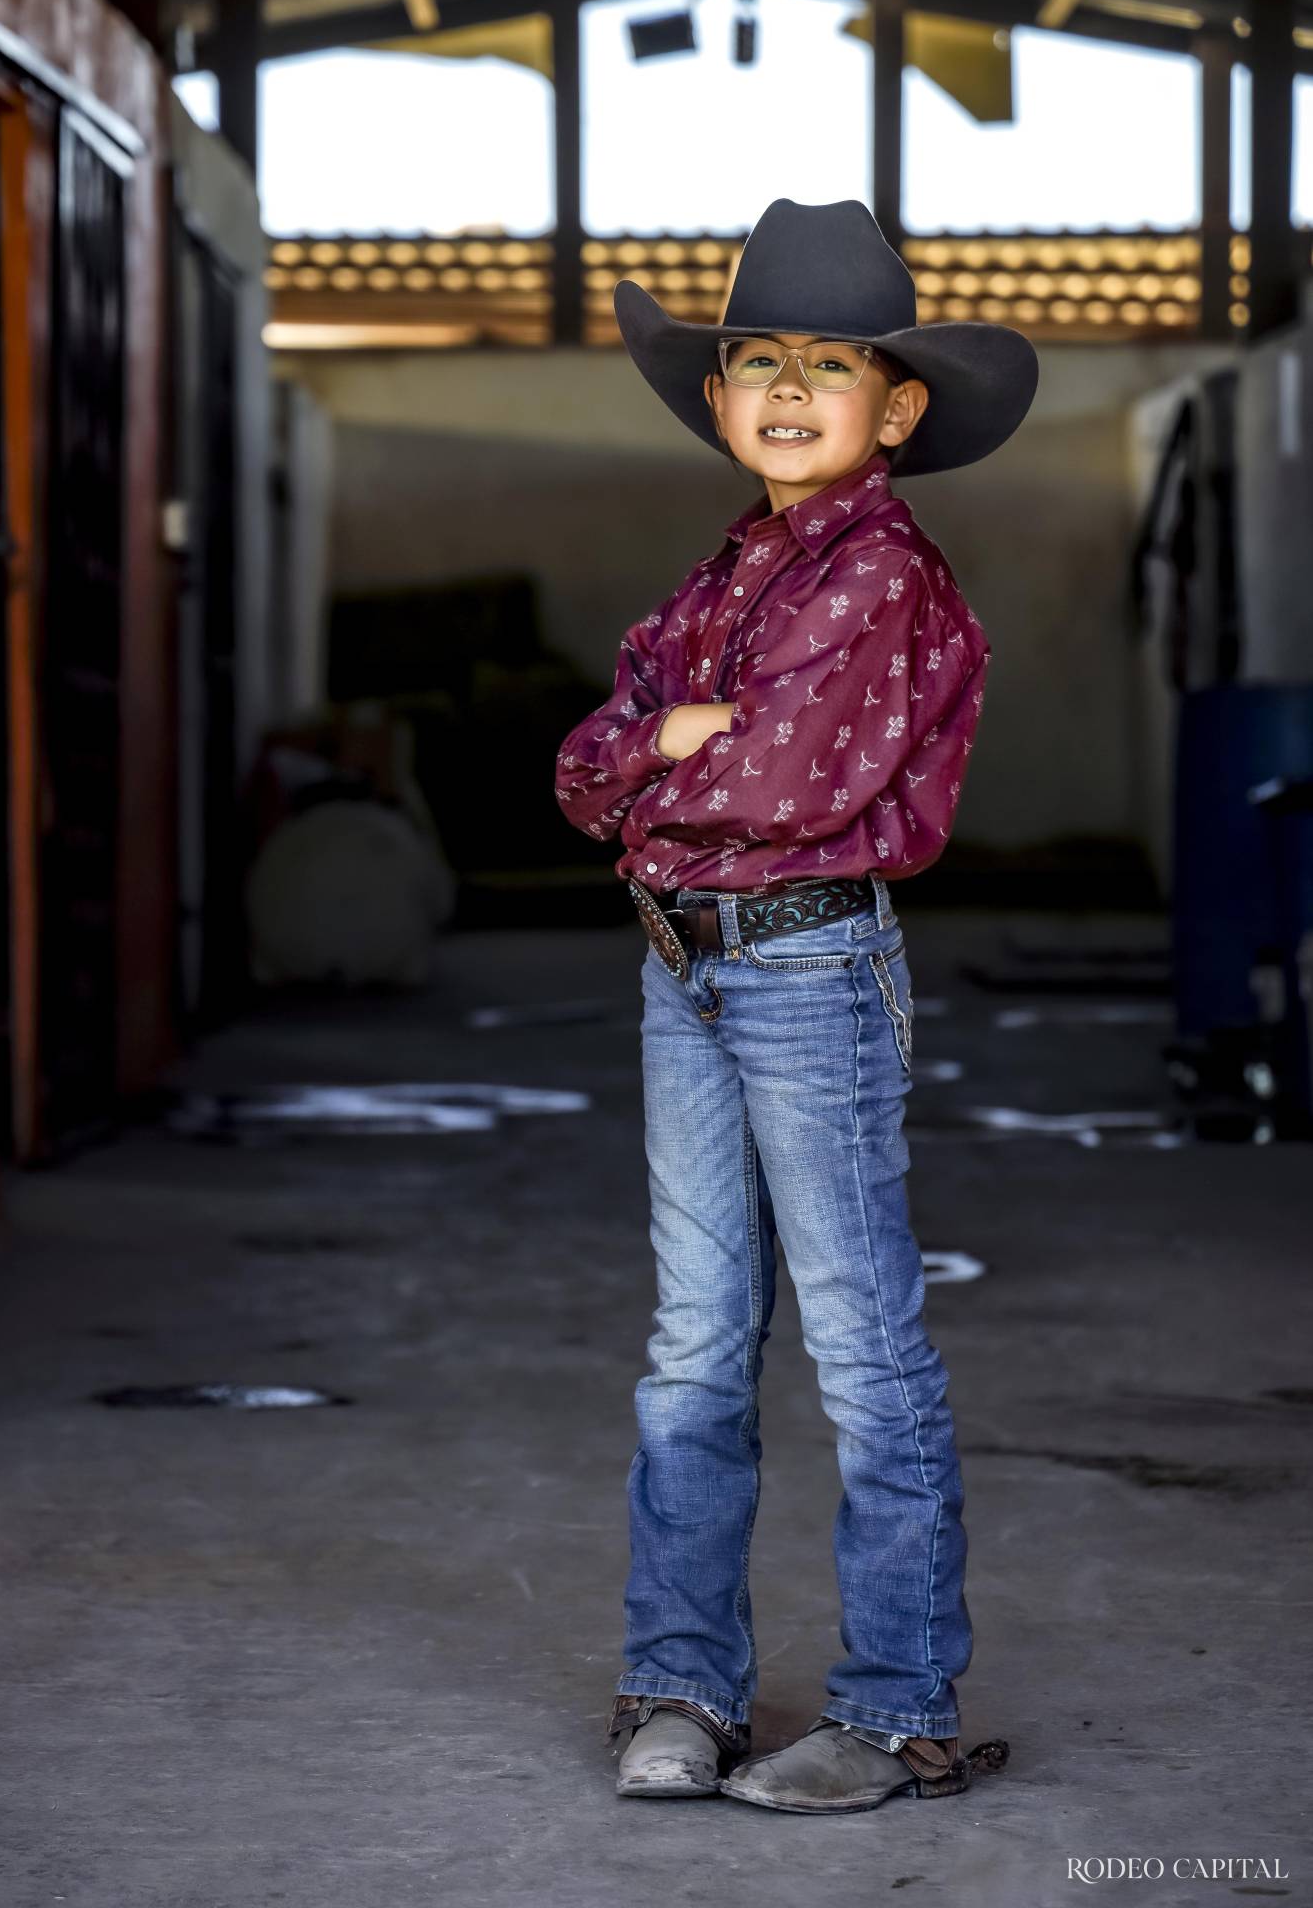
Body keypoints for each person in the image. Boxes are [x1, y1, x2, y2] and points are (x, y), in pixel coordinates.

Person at [552, 198, 1038, 1814]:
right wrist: (650, 747)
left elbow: (768, 783)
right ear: (714, 398)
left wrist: (669, 750)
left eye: (828, 364)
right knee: (691, 1345)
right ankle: (679, 1685)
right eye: (755, 359)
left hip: (808, 967)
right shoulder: (732, 564)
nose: (783, 387)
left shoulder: (880, 570)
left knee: (858, 1344)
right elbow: (580, 761)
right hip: (681, 963)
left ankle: (895, 1707)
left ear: (893, 411)